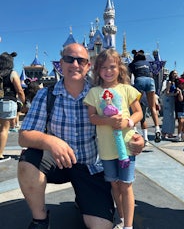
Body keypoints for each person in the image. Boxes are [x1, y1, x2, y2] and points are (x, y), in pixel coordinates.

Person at [17, 43, 145, 229]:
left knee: (101, 226)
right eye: (69, 59)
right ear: (60, 63)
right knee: (28, 162)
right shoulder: (47, 95)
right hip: (57, 162)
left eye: (81, 60)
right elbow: (24, 136)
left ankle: (83, 196)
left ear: (88, 66)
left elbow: (121, 119)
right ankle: (40, 219)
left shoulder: (99, 94)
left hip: (89, 166)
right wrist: (51, 141)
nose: (75, 64)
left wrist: (136, 138)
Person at [84, 49, 143, 229]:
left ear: (120, 68)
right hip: (107, 149)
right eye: (103, 68)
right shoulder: (94, 92)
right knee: (115, 185)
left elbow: (139, 112)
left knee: (125, 185)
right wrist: (108, 121)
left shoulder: (127, 89)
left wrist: (128, 122)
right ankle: (123, 216)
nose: (108, 71)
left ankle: (128, 226)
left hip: (126, 147)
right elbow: (92, 117)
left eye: (112, 67)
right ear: (97, 70)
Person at [128, 50, 161, 142]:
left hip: (140, 80)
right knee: (152, 107)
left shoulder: (132, 64)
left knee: (134, 106)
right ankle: (157, 128)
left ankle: (134, 129)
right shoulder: (147, 63)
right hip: (150, 81)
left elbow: (128, 77)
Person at [0, 52, 25, 162]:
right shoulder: (12, 73)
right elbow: (19, 90)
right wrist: (24, 102)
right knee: (4, 129)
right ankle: (0, 154)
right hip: (7, 102)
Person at [161, 70, 179, 139]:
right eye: (174, 73)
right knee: (167, 116)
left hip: (172, 100)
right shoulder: (169, 82)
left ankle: (170, 132)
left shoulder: (175, 83)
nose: (176, 75)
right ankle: (164, 132)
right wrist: (174, 94)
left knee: (172, 117)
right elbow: (167, 92)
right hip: (168, 99)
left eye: (176, 73)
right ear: (171, 74)